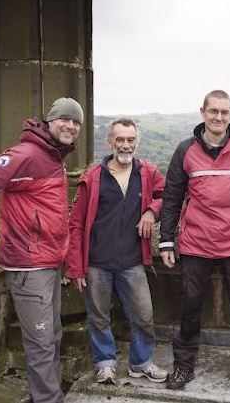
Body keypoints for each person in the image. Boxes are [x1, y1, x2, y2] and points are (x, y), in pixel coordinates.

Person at [0, 97, 84, 403]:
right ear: (49, 121)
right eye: (64, 119)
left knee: (50, 336)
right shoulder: (27, 154)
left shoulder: (53, 157)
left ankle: (45, 395)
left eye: (76, 121)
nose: (70, 125)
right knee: (41, 340)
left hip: (48, 263)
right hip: (29, 265)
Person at [159, 89, 230, 398]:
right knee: (190, 307)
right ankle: (183, 366)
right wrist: (166, 241)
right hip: (195, 243)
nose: (219, 117)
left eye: (225, 112)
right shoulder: (186, 150)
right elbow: (171, 198)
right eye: (214, 111)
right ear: (203, 112)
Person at [65, 118, 168, 385]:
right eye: (120, 139)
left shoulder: (146, 172)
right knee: (98, 317)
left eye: (130, 140)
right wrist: (75, 266)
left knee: (144, 316)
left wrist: (150, 210)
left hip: (132, 261)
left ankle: (140, 362)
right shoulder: (93, 177)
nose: (125, 145)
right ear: (109, 141)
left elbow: (166, 195)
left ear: (137, 142)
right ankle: (105, 363)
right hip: (97, 261)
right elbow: (75, 224)